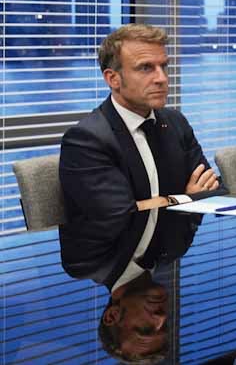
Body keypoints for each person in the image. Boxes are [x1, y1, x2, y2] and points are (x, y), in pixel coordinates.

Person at [59, 23, 224, 296]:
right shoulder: (86, 139)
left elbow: (211, 186)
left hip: (165, 254)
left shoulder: (175, 122)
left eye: (164, 66)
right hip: (107, 266)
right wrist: (185, 198)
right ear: (113, 79)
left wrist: (175, 200)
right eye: (146, 68)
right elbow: (123, 215)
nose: (162, 78)